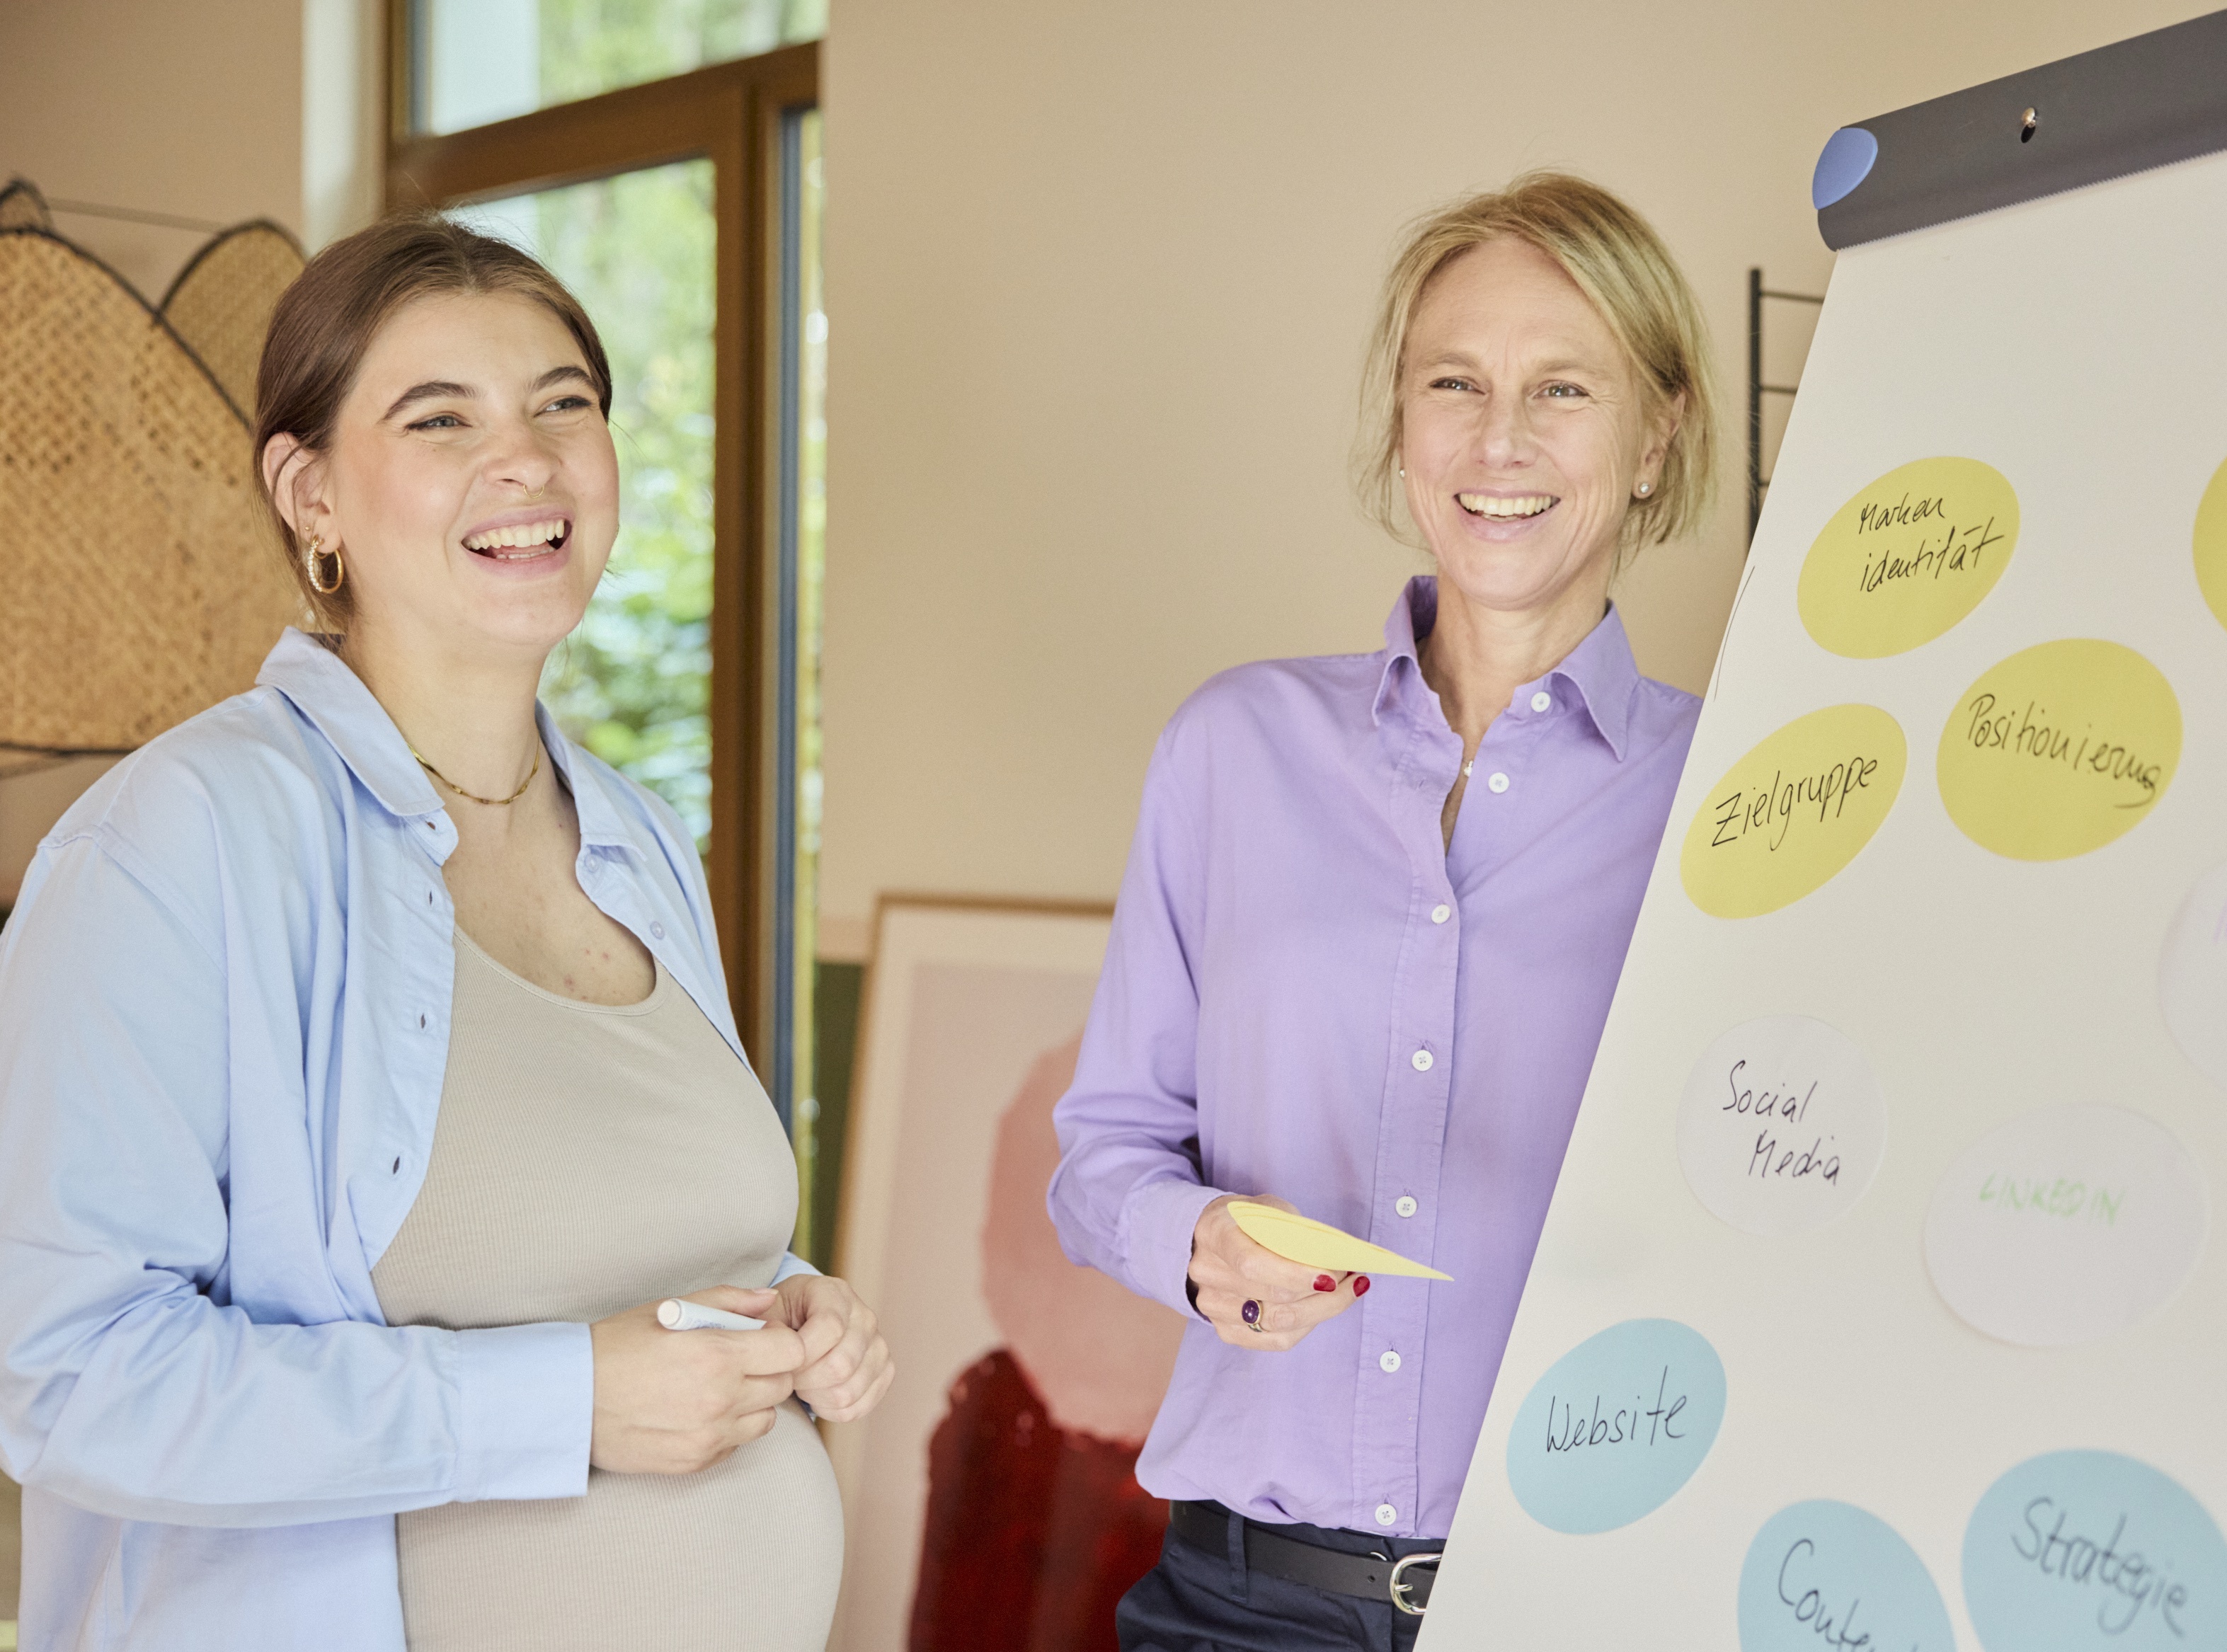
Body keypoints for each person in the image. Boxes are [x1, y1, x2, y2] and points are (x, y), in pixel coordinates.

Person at [0, 215, 891, 1652]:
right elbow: (68, 1378)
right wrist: (565, 1405)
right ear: (310, 495)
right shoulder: (176, 843)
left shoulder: (643, 838)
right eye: (440, 417)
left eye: (564, 404)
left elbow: (599, 1256)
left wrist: (786, 1316)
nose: (527, 459)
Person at [1047, 171, 1718, 1651]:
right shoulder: (1232, 748)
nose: (1498, 440)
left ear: (1658, 431)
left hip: (1586, 1600)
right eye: (1453, 383)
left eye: (1562, 389)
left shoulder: (1731, 801)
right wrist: (1194, 1238)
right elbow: (1099, 1156)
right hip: (1244, 1604)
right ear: (1401, 423)